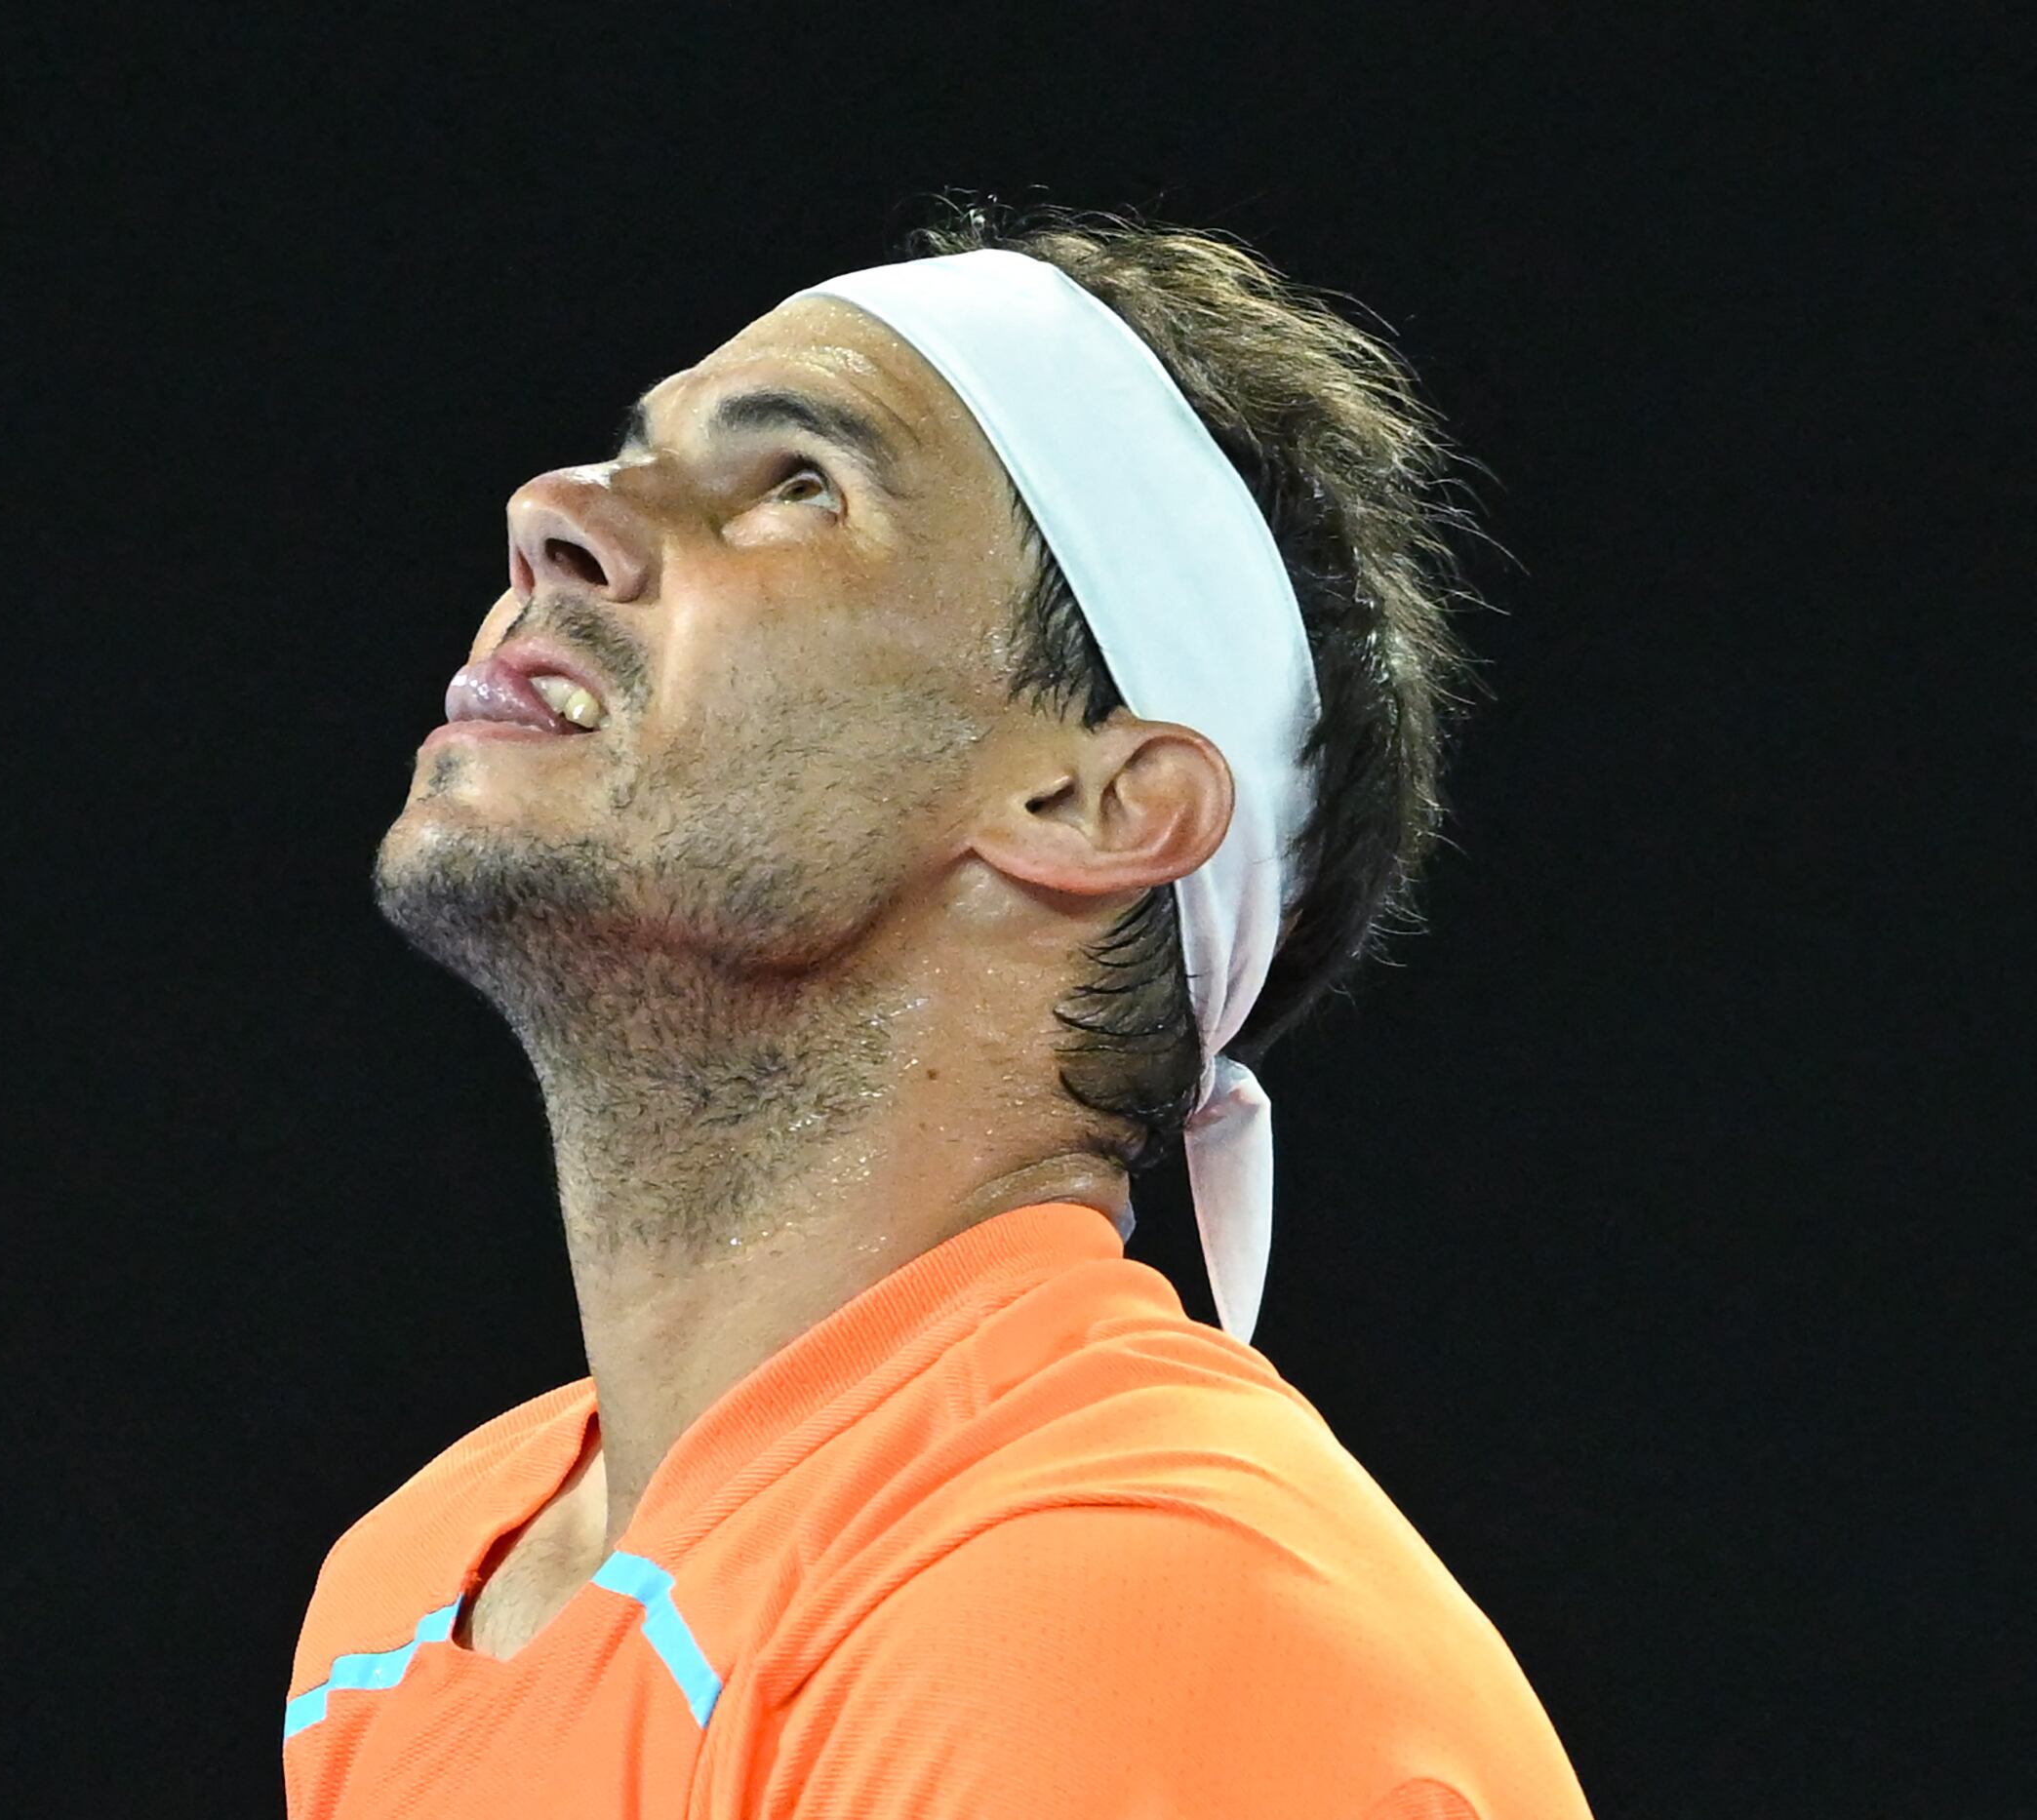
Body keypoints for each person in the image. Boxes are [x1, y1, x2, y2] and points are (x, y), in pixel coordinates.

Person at [284, 201, 1592, 1818]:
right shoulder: (409, 1587)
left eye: (797, 487)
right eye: (631, 453)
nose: (552, 512)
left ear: (1087, 802)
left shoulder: (1108, 1604)